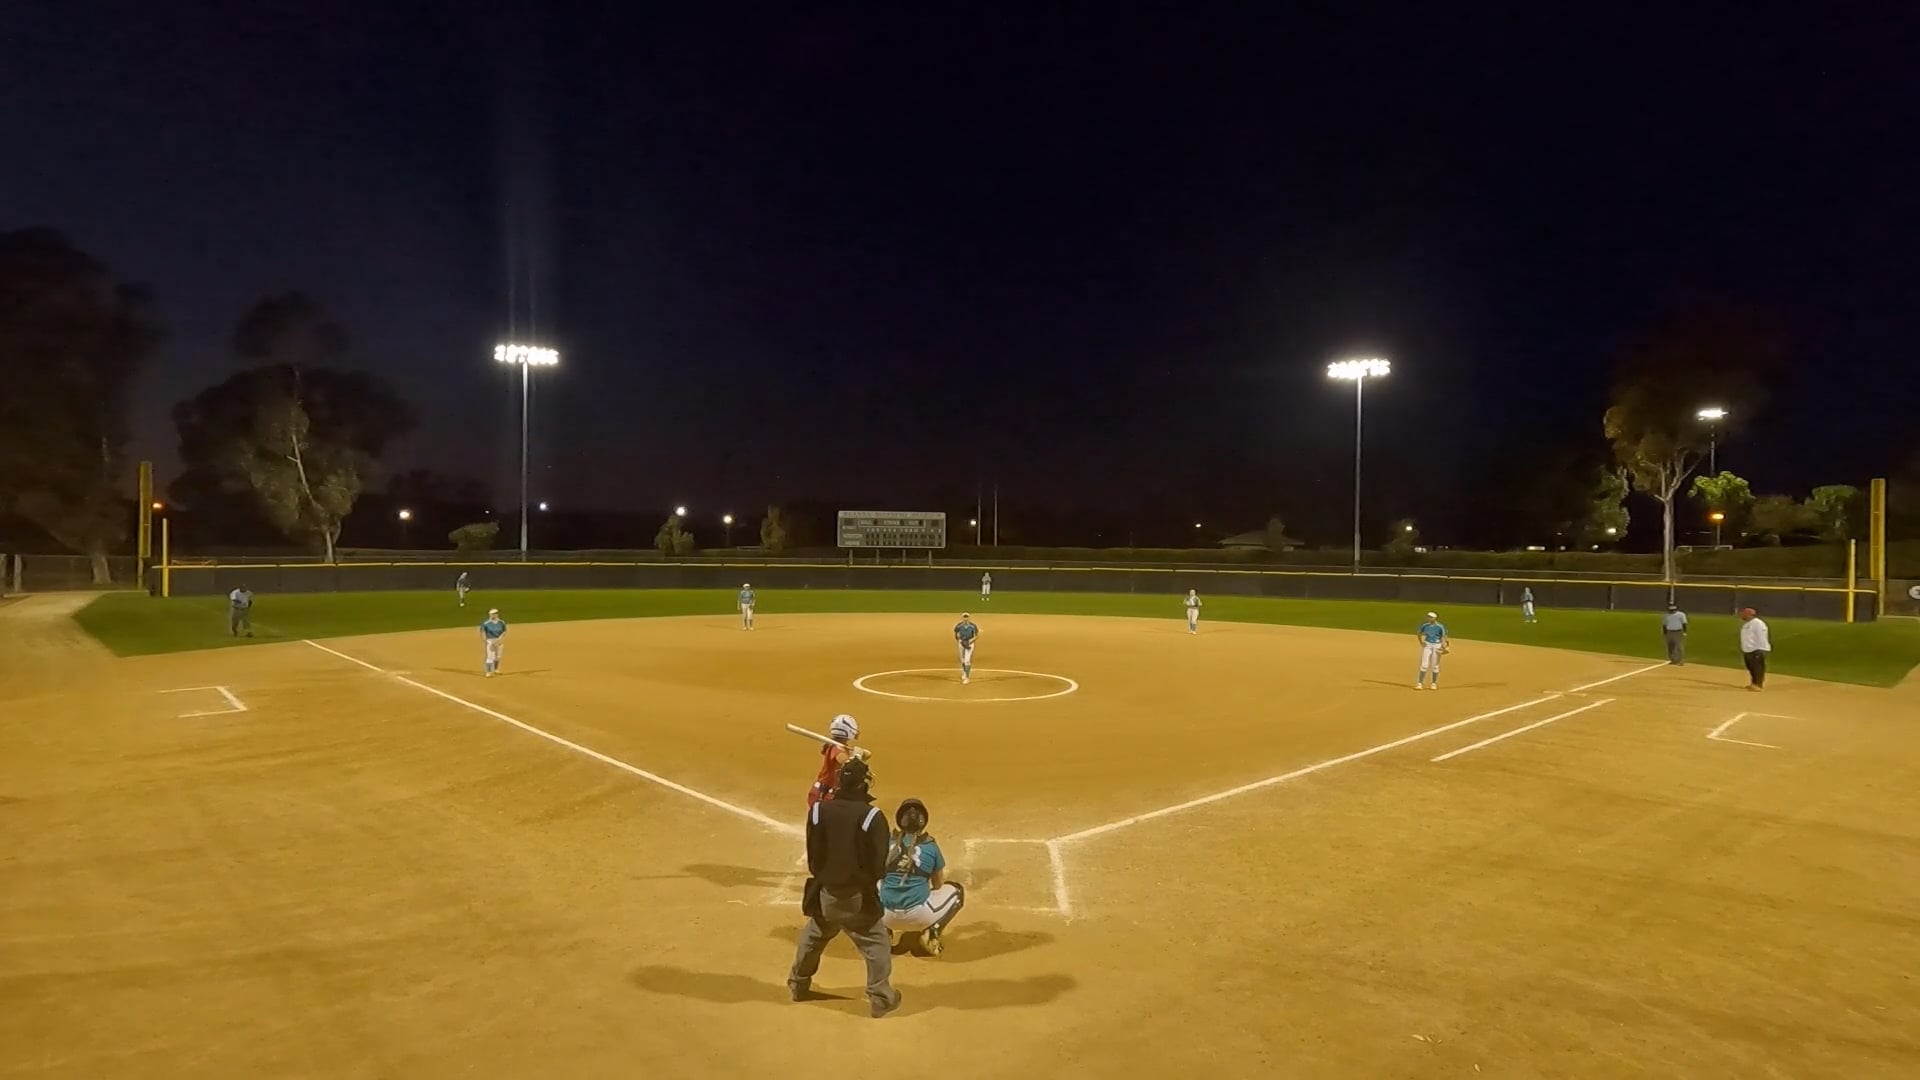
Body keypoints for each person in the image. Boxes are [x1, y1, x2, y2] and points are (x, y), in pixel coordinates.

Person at [788, 757, 902, 1018]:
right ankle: (881, 998)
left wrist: (829, 878)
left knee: (814, 935)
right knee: (876, 942)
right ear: (864, 784)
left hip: (825, 894)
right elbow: (877, 864)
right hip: (857, 897)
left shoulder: (818, 810)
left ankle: (798, 985)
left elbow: (814, 856)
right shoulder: (872, 816)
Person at [880, 798, 964, 957]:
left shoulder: (886, 843)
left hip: (885, 915)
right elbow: (938, 885)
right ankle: (932, 933)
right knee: (957, 891)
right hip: (919, 916)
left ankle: (882, 932)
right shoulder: (930, 845)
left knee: (873, 884)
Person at [807, 714, 862, 809]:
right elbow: (847, 764)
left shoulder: (839, 747)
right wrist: (857, 756)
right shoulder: (837, 748)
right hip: (824, 794)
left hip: (827, 791)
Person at [1739, 607, 1771, 691]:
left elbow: (1761, 637)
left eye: (1744, 614)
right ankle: (1754, 683)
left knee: (1758, 668)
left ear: (1750, 615)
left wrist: (1761, 649)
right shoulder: (1747, 624)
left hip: (1757, 649)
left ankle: (1758, 684)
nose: (1742, 615)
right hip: (1748, 649)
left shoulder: (1758, 623)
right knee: (1751, 667)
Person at [1416, 611, 1449, 690]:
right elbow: (1419, 633)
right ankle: (1420, 683)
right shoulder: (1425, 625)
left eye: (1431, 617)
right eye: (1428, 617)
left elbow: (1443, 636)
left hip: (1437, 646)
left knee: (1435, 666)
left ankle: (1434, 683)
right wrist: (1421, 642)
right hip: (1427, 645)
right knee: (1424, 665)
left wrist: (1444, 645)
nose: (1429, 618)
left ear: (1435, 618)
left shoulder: (1440, 626)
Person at [953, 612, 980, 684]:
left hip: (970, 644)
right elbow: (956, 634)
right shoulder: (959, 625)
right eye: (964, 617)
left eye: (967, 617)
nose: (965, 618)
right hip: (961, 643)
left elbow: (976, 635)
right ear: (962, 618)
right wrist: (959, 639)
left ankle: (967, 678)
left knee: (967, 660)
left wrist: (971, 640)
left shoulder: (973, 626)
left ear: (969, 618)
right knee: (962, 660)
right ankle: (965, 672)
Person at [480, 607, 507, 677]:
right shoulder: (486, 623)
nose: (493, 615)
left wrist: (499, 640)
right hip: (490, 641)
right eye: (491, 614)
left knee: (498, 657)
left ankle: (496, 669)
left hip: (499, 641)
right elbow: (482, 632)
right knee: (490, 657)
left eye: (494, 614)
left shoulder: (501, 622)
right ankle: (488, 672)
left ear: (497, 614)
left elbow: (504, 631)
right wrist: (486, 641)